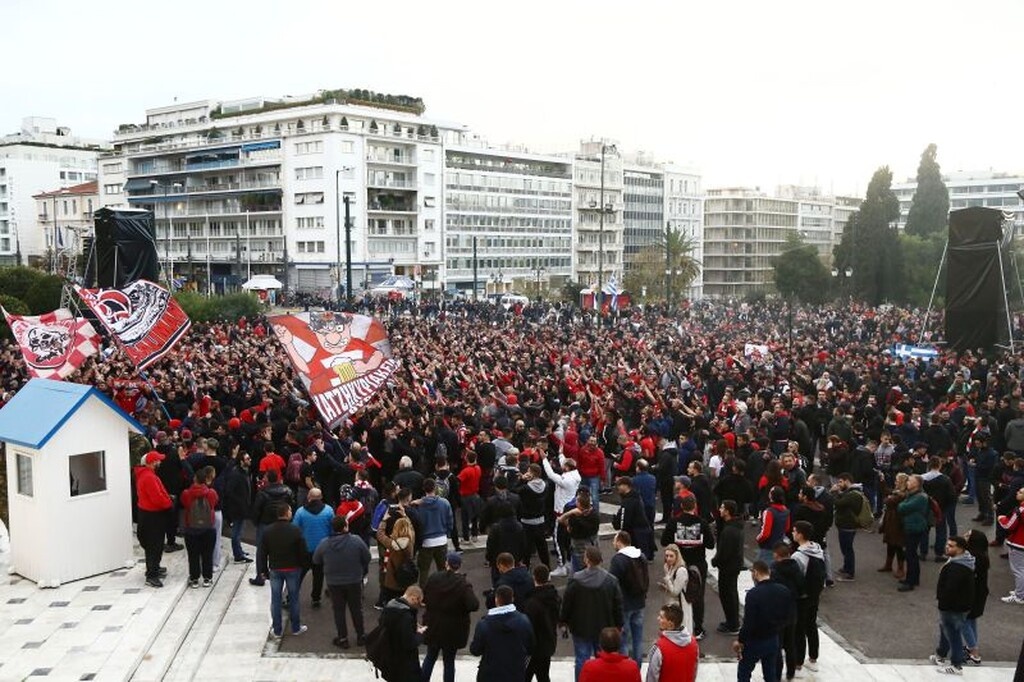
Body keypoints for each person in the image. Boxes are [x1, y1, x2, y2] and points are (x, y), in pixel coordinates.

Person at [561, 545, 626, 682]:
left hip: (581, 627)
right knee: (602, 659)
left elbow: (567, 603)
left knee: (581, 660)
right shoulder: (611, 581)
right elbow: (618, 606)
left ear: (587, 560)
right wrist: (619, 625)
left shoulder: (576, 580)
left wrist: (563, 621)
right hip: (604, 628)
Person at [421, 551, 480, 682]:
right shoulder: (463, 584)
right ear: (458, 566)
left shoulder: (434, 578)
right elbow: (474, 605)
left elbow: (424, 598)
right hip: (453, 630)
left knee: (430, 657)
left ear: (446, 563)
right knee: (449, 661)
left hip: (433, 625)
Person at [313, 515, 370, 648]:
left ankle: (343, 638)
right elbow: (367, 557)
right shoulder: (356, 541)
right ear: (345, 526)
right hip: (354, 580)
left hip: (334, 582)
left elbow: (316, 560)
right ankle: (361, 636)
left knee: (338, 610)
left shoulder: (324, 543)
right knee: (356, 609)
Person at [662, 494, 713, 640]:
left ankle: (677, 625)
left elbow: (664, 541)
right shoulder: (702, 523)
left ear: (682, 507)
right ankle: (697, 628)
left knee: (677, 595)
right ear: (695, 506)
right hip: (697, 565)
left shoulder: (674, 522)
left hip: (678, 565)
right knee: (697, 596)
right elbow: (710, 544)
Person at [733, 560, 792, 682]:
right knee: (770, 674)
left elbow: (748, 623)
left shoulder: (753, 594)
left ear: (755, 573)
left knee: (744, 672)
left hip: (755, 641)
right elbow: (788, 616)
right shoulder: (783, 591)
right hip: (773, 639)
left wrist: (740, 641)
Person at [261, 503, 309, 638]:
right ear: (287, 513)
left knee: (275, 599)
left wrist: (263, 569)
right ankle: (295, 627)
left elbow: (262, 553)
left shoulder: (268, 530)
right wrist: (303, 565)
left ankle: (277, 630)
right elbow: (302, 551)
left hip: (275, 568)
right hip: (293, 568)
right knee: (294, 598)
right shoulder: (295, 530)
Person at [470, 584, 535, 682]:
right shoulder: (524, 621)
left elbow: (475, 650)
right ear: (512, 599)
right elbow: (531, 647)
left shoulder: (484, 624)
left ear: (496, 600)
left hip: (489, 675)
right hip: (515, 674)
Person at [930, 536, 975, 675]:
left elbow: (950, 589)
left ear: (960, 549)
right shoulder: (964, 561)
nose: (947, 547)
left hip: (953, 607)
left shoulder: (957, 568)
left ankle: (956, 665)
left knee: (953, 634)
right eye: (947, 544)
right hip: (959, 605)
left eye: (951, 546)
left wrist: (942, 604)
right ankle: (941, 655)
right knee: (946, 629)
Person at [608, 531, 649, 667]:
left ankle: (626, 667)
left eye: (614, 541)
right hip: (639, 602)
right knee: (638, 638)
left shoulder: (618, 560)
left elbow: (612, 583)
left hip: (624, 604)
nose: (613, 544)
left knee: (624, 640)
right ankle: (636, 667)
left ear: (620, 541)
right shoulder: (641, 556)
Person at [790, 520, 826, 673]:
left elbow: (795, 577)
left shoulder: (798, 555)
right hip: (814, 594)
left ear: (800, 534)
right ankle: (813, 656)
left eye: (794, 531)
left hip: (801, 596)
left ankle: (798, 660)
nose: (792, 533)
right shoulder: (817, 549)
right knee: (811, 625)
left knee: (799, 628)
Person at [135, 450, 174, 588]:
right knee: (154, 546)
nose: (160, 462)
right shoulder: (149, 477)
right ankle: (152, 575)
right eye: (158, 460)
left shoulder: (145, 475)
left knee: (153, 545)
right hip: (153, 517)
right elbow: (157, 498)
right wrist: (169, 502)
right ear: (151, 463)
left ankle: (154, 568)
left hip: (148, 514)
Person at [249, 469, 293, 586]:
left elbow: (256, 510)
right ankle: (281, 574)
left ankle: (261, 575)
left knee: (261, 551)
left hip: (265, 523)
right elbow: (291, 504)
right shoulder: (287, 490)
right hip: (281, 522)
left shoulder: (262, 492)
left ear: (267, 479)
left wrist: (256, 522)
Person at [292, 487, 334, 608]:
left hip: (305, 549)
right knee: (318, 575)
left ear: (308, 497)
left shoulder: (301, 512)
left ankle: (292, 597)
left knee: (299, 575)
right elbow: (332, 530)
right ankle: (316, 598)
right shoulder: (329, 511)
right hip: (322, 550)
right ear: (321, 498)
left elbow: (295, 530)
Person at [180, 466, 219, 588]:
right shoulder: (211, 493)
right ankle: (207, 578)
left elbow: (184, 503)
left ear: (194, 479)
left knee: (193, 555)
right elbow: (214, 503)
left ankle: (194, 579)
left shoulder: (186, 494)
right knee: (207, 554)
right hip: (208, 528)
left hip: (191, 529)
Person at [770, 542, 803, 681]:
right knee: (790, 643)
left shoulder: (774, 570)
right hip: (792, 610)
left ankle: (776, 674)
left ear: (777, 555)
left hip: (777, 611)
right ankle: (790, 672)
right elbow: (802, 587)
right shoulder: (796, 568)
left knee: (777, 645)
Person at [412, 477, 453, 587]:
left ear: (423, 489)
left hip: (426, 542)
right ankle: (444, 590)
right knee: (443, 569)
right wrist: (447, 533)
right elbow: (450, 521)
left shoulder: (418, 506)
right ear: (435, 488)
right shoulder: (445, 503)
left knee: (424, 571)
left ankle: (423, 595)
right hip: (441, 539)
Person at [523, 564, 561, 682]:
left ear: (534, 577)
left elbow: (528, 627)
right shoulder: (555, 597)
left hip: (534, 647)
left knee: (525, 676)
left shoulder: (532, 603)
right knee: (543, 675)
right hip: (549, 642)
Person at [381, 584, 427, 682]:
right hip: (405, 664)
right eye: (419, 602)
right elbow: (409, 643)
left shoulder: (389, 607)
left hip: (390, 658)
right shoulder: (405, 617)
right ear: (413, 598)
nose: (418, 605)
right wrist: (420, 634)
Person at [712, 499, 744, 635]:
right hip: (734, 565)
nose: (720, 509)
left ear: (728, 511)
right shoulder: (735, 527)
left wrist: (715, 561)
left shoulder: (729, 531)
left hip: (727, 567)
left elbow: (724, 552)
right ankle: (733, 621)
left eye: (722, 508)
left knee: (727, 594)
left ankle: (732, 623)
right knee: (731, 593)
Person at [645, 602, 698, 682]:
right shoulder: (694, 643)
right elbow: (694, 670)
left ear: (670, 625)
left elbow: (652, 677)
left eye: (662, 617)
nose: (658, 618)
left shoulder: (659, 648)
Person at [514, 463, 552, 568]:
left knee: (526, 547)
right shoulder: (546, 485)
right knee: (542, 546)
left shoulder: (526, 489)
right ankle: (547, 567)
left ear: (532, 473)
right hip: (540, 520)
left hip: (527, 521)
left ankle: (525, 567)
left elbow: (515, 491)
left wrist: (522, 480)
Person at [897, 474, 930, 592]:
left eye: (910, 481)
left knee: (910, 555)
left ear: (917, 484)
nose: (907, 482)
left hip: (915, 528)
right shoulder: (913, 495)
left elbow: (902, 507)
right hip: (912, 526)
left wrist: (902, 505)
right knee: (912, 554)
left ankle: (910, 581)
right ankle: (913, 578)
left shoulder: (920, 497)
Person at [376, 515, 417, 605]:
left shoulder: (391, 544)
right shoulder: (410, 542)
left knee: (391, 604)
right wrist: (406, 516)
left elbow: (380, 534)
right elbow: (412, 530)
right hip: (406, 579)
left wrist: (384, 520)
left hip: (391, 581)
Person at [963, 529, 990, 666]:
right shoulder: (982, 556)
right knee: (971, 620)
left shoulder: (972, 557)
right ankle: (970, 646)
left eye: (968, 535)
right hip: (979, 593)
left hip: (970, 594)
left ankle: (974, 652)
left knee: (964, 621)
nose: (964, 536)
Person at [613, 476, 654, 564]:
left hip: (635, 532)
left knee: (636, 561)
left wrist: (619, 527)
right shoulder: (637, 497)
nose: (618, 488)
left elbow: (623, 521)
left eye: (619, 485)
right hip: (642, 529)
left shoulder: (628, 501)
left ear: (625, 486)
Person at [830, 473, 863, 581]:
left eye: (840, 482)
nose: (839, 484)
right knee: (844, 548)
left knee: (848, 549)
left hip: (848, 525)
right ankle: (846, 567)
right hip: (844, 524)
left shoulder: (854, 494)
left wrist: (834, 493)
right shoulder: (849, 492)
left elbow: (839, 503)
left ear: (847, 481)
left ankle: (850, 573)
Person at [222, 451, 254, 563]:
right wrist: (240, 502)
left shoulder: (245, 472)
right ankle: (238, 555)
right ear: (241, 461)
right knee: (236, 532)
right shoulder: (236, 474)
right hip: (237, 508)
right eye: (247, 459)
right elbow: (229, 491)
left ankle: (239, 550)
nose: (250, 460)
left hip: (243, 506)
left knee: (240, 531)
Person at [878, 472, 909, 580]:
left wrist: (888, 498)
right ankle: (888, 564)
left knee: (898, 546)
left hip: (898, 522)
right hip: (891, 521)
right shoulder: (897, 492)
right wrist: (882, 481)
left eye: (897, 480)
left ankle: (901, 568)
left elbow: (888, 501)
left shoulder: (902, 495)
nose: (895, 482)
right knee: (890, 544)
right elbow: (886, 492)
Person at [657, 544, 693, 634]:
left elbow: (675, 592)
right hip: (674, 604)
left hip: (681, 605)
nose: (668, 558)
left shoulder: (681, 571)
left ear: (677, 556)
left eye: (671, 556)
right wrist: (665, 586)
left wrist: (667, 578)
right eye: (666, 556)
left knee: (680, 629)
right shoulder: (671, 567)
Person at [998, 485, 1024, 605]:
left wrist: (1001, 519)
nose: (1017, 493)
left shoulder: (1020, 510)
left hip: (1018, 543)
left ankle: (1019, 595)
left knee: (1018, 570)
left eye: (1020, 492)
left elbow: (1009, 525)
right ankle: (1020, 591)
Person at [755, 486, 790, 566]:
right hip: (779, 544)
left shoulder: (769, 512)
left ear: (771, 496)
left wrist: (758, 538)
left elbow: (765, 533)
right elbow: (787, 528)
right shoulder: (786, 511)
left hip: (767, 546)